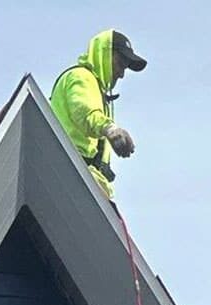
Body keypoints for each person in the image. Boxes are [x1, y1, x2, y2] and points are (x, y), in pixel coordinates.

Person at [50, 30, 147, 200]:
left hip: (84, 178)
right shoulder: (81, 77)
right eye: (120, 64)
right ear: (104, 54)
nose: (122, 74)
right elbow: (84, 111)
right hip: (72, 171)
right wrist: (110, 129)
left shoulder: (96, 89)